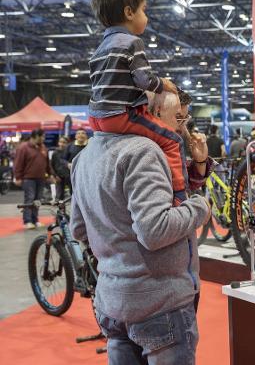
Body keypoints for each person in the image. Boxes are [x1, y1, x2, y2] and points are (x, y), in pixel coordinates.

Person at [70, 90, 210, 365]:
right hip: (158, 303)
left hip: (113, 302)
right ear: (153, 114)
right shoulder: (144, 151)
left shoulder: (85, 156)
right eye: (177, 117)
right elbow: (155, 230)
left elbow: (78, 229)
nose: (182, 126)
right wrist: (200, 208)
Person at [88, 0, 187, 204]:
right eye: (144, 10)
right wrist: (163, 84)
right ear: (129, 12)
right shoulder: (132, 42)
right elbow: (144, 80)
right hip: (120, 115)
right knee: (173, 140)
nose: (147, 17)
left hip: (96, 118)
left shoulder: (99, 49)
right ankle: (179, 194)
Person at [14, 129, 49, 229]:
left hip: (41, 178)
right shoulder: (23, 147)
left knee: (37, 200)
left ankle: (35, 220)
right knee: (29, 199)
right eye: (42, 136)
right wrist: (18, 177)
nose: (44, 138)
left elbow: (47, 163)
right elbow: (18, 163)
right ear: (36, 136)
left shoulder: (43, 147)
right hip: (28, 179)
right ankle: (27, 221)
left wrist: (50, 174)